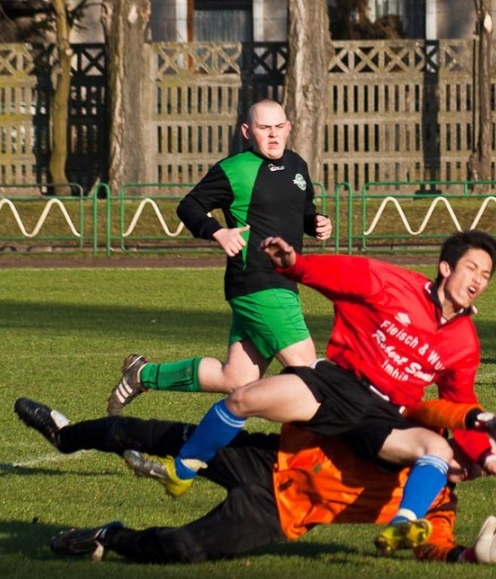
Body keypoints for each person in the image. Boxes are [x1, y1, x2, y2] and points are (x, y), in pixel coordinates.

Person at [130, 230, 496, 555]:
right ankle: (182, 472)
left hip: (384, 415)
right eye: (472, 268)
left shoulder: (465, 342)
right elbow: (342, 274)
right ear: (446, 268)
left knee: (438, 449)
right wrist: (296, 265)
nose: (479, 280)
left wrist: (487, 457)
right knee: (242, 398)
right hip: (337, 385)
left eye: (486, 275)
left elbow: (461, 403)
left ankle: (404, 524)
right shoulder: (394, 284)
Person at [14, 397, 496, 565]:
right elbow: (428, 406)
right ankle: (67, 435)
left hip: (279, 515)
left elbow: (431, 544)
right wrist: (480, 417)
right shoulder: (416, 431)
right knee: (157, 434)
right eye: (472, 456)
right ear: (453, 439)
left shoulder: (440, 501)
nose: (470, 468)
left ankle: (109, 536)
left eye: (479, 468)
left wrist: (468, 556)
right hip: (268, 458)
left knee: (182, 549)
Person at [106, 98, 333, 416]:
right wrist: (217, 231)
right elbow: (189, 206)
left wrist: (316, 222)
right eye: (264, 127)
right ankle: (335, 451)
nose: (273, 135)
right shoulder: (234, 169)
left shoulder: (297, 165)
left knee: (236, 377)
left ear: (289, 128)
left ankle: (141, 375)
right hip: (258, 282)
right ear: (246, 131)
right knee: (312, 373)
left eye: (279, 127)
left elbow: (303, 209)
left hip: (280, 283)